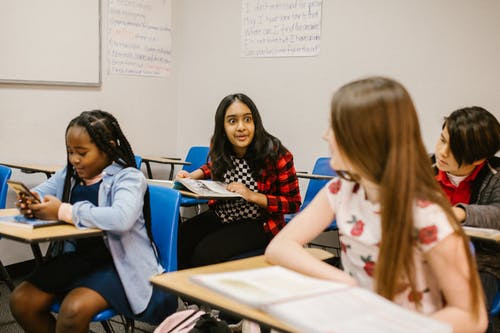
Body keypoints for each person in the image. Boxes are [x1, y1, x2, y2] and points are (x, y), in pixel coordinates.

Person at [265, 77, 487, 332]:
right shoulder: (341, 190)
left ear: (365, 139)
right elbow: (280, 247)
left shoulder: (428, 215)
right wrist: (345, 283)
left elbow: (472, 317)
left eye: (334, 126)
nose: (325, 135)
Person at [9, 110, 176, 332]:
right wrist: (32, 204)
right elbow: (40, 194)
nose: (74, 159)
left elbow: (121, 218)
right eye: (70, 152)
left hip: (119, 263)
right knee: (22, 301)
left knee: (73, 309)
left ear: (109, 147)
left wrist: (63, 211)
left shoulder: (128, 177)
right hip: (78, 259)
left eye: (82, 152)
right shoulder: (70, 174)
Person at [177, 93, 301, 269]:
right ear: (223, 127)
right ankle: (186, 292)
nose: (241, 127)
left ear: (255, 122)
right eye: (232, 121)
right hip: (223, 215)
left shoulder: (276, 154)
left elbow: (293, 203)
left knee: (205, 254)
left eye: (247, 120)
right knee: (180, 239)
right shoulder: (220, 145)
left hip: (259, 224)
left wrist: (253, 196)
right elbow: (216, 165)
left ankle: (205, 296)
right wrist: (194, 174)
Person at [434, 106, 499, 333]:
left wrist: (460, 213)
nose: (442, 152)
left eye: (454, 149)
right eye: (442, 140)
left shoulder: (495, 175)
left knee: (471, 318)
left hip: (482, 259)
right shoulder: (424, 168)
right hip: (430, 252)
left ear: (479, 157)